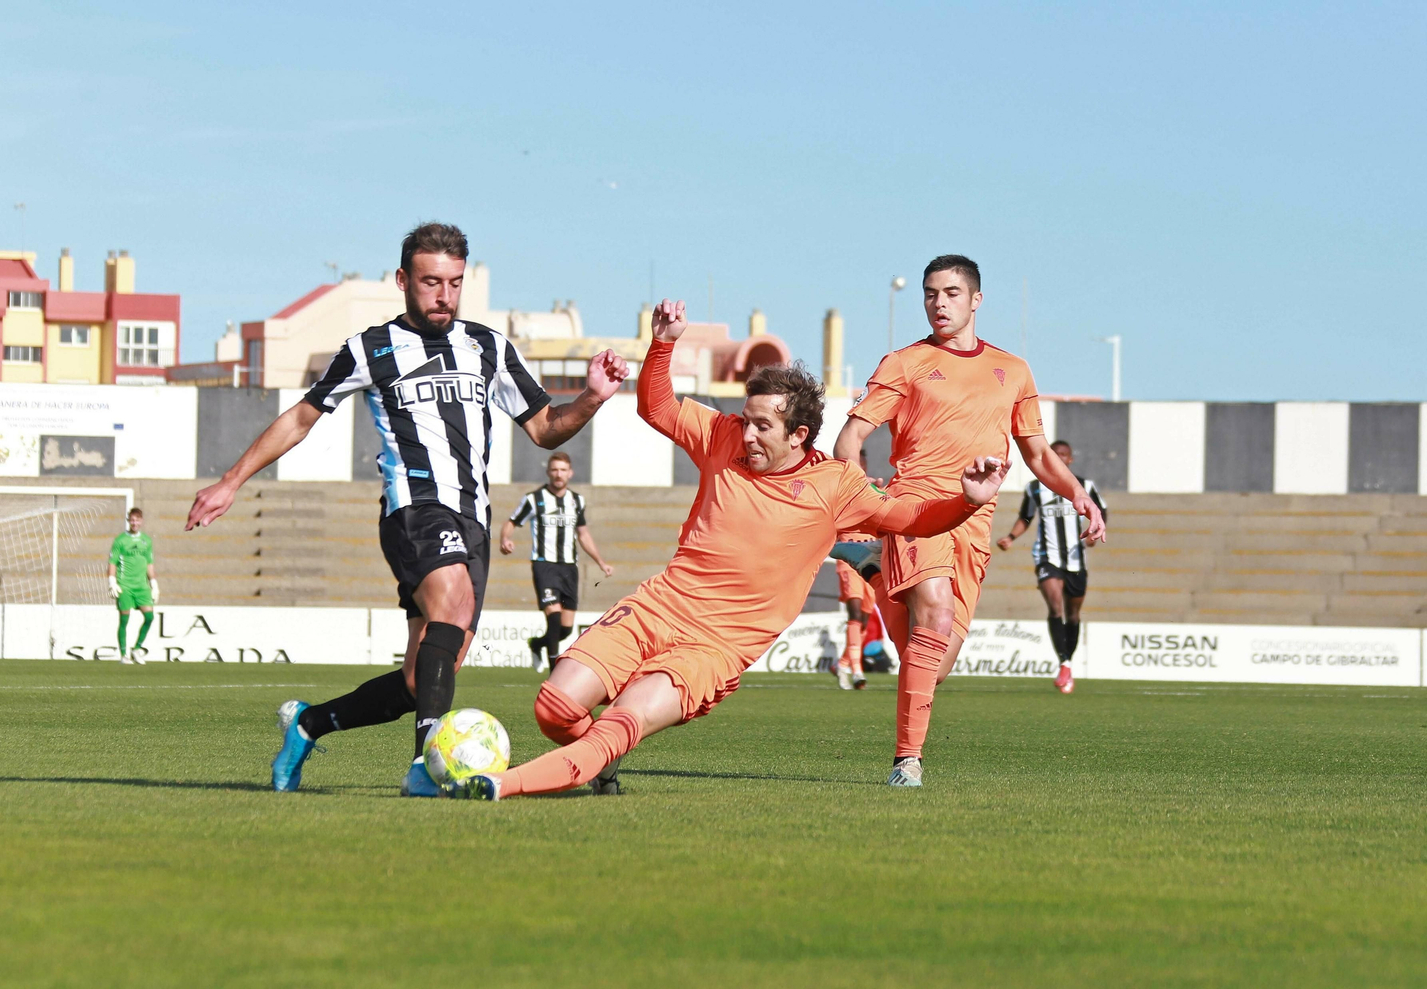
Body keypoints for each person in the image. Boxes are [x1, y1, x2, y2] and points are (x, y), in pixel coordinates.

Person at [443, 298, 1009, 801]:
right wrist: (662, 345)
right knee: (555, 710)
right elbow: (658, 408)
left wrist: (967, 501)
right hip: (657, 608)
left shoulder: (836, 486)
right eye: (746, 420)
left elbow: (912, 516)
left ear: (799, 436)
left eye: (764, 426)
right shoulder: (723, 438)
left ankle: (498, 784)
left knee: (620, 719)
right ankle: (598, 766)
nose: (750, 434)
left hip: (714, 649)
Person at [184, 222, 628, 796]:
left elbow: (546, 429)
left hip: (474, 521)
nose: (443, 294)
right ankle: (426, 768)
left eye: (454, 282)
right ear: (402, 280)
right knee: (454, 599)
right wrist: (231, 481)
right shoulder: (370, 349)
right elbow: (301, 416)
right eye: (430, 282)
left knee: (423, 680)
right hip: (413, 509)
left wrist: (592, 396)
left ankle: (309, 723)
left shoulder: (489, 347)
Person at [832, 254, 1106, 787]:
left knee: (934, 665)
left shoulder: (1014, 370)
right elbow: (850, 441)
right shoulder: (904, 363)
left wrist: (1079, 496)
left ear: (976, 299)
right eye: (931, 293)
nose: (939, 302)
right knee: (932, 617)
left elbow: (1038, 453)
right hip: (915, 507)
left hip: (973, 523)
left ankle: (875, 573)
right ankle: (907, 761)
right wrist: (863, 502)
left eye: (952, 293)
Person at [997, 440, 1107, 694]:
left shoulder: (1085, 486)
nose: (1060, 458)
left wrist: (1093, 533)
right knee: (1055, 605)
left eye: (1064, 455)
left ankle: (1067, 660)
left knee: (1074, 613)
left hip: (1076, 559)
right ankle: (1064, 663)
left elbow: (1100, 511)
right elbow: (1026, 517)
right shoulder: (1035, 488)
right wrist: (1011, 537)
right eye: (1055, 455)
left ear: (1070, 460)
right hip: (1047, 557)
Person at [499, 451, 614, 673]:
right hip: (545, 565)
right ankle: (555, 676)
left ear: (570, 473)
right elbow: (512, 522)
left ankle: (537, 644)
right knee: (554, 619)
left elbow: (583, 534)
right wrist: (506, 538)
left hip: (569, 567)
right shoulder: (534, 499)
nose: (558, 474)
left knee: (565, 629)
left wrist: (600, 561)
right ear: (548, 472)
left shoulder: (577, 501)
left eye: (563, 470)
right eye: (554, 470)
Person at [108, 507, 158, 665]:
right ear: (128, 521)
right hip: (125, 586)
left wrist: (154, 584)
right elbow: (112, 562)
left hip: (142, 586)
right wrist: (112, 582)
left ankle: (136, 649)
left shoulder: (147, 541)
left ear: (141, 521)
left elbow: (149, 564)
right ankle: (123, 655)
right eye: (132, 520)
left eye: (137, 520)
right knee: (124, 620)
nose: (134, 523)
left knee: (149, 617)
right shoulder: (120, 540)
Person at [834, 544, 876, 690]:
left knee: (863, 622)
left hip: (871, 561)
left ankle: (842, 665)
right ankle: (857, 671)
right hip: (848, 562)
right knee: (855, 616)